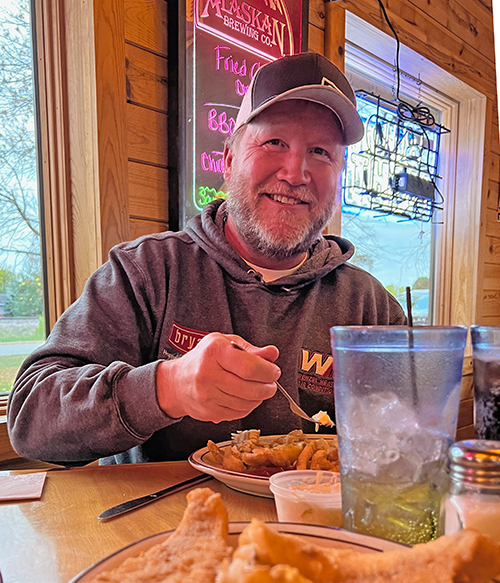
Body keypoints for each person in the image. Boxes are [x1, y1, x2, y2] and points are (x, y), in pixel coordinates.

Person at [7, 52, 406, 466]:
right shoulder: (147, 271)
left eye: (321, 152)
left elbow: (406, 438)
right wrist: (166, 388)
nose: (295, 172)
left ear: (339, 178)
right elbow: (31, 416)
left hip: (314, 526)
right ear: (230, 161)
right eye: (274, 142)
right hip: (164, 526)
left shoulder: (370, 308)